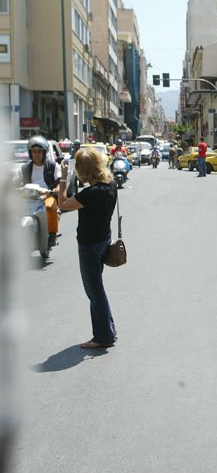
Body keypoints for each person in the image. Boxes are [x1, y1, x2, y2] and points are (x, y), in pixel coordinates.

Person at [57, 148, 118, 349]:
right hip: (103, 240)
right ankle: (108, 331)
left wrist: (64, 178)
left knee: (94, 291)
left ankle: (103, 337)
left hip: (89, 245)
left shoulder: (89, 194)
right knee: (97, 288)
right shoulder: (111, 186)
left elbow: (63, 204)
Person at [17, 136, 61, 247]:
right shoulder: (24, 168)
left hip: (47, 196)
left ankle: (52, 234)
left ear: (44, 153)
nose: (37, 154)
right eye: (34, 152)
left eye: (39, 152)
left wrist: (57, 189)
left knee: (50, 207)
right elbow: (16, 182)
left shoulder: (52, 165)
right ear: (30, 153)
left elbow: (60, 181)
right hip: (28, 197)